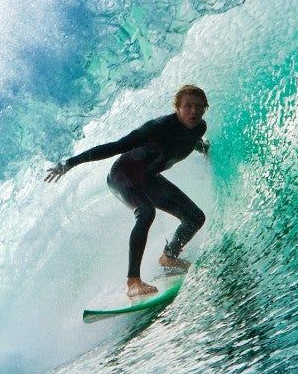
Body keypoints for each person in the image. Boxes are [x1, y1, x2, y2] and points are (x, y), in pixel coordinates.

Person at [46, 85, 212, 298]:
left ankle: (169, 257)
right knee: (146, 212)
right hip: (123, 175)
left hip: (149, 178)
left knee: (194, 217)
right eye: (188, 106)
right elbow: (116, 146)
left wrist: (204, 149)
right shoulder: (157, 127)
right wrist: (69, 163)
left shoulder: (198, 128)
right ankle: (133, 282)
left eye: (199, 107)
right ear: (177, 107)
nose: (194, 111)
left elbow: (188, 140)